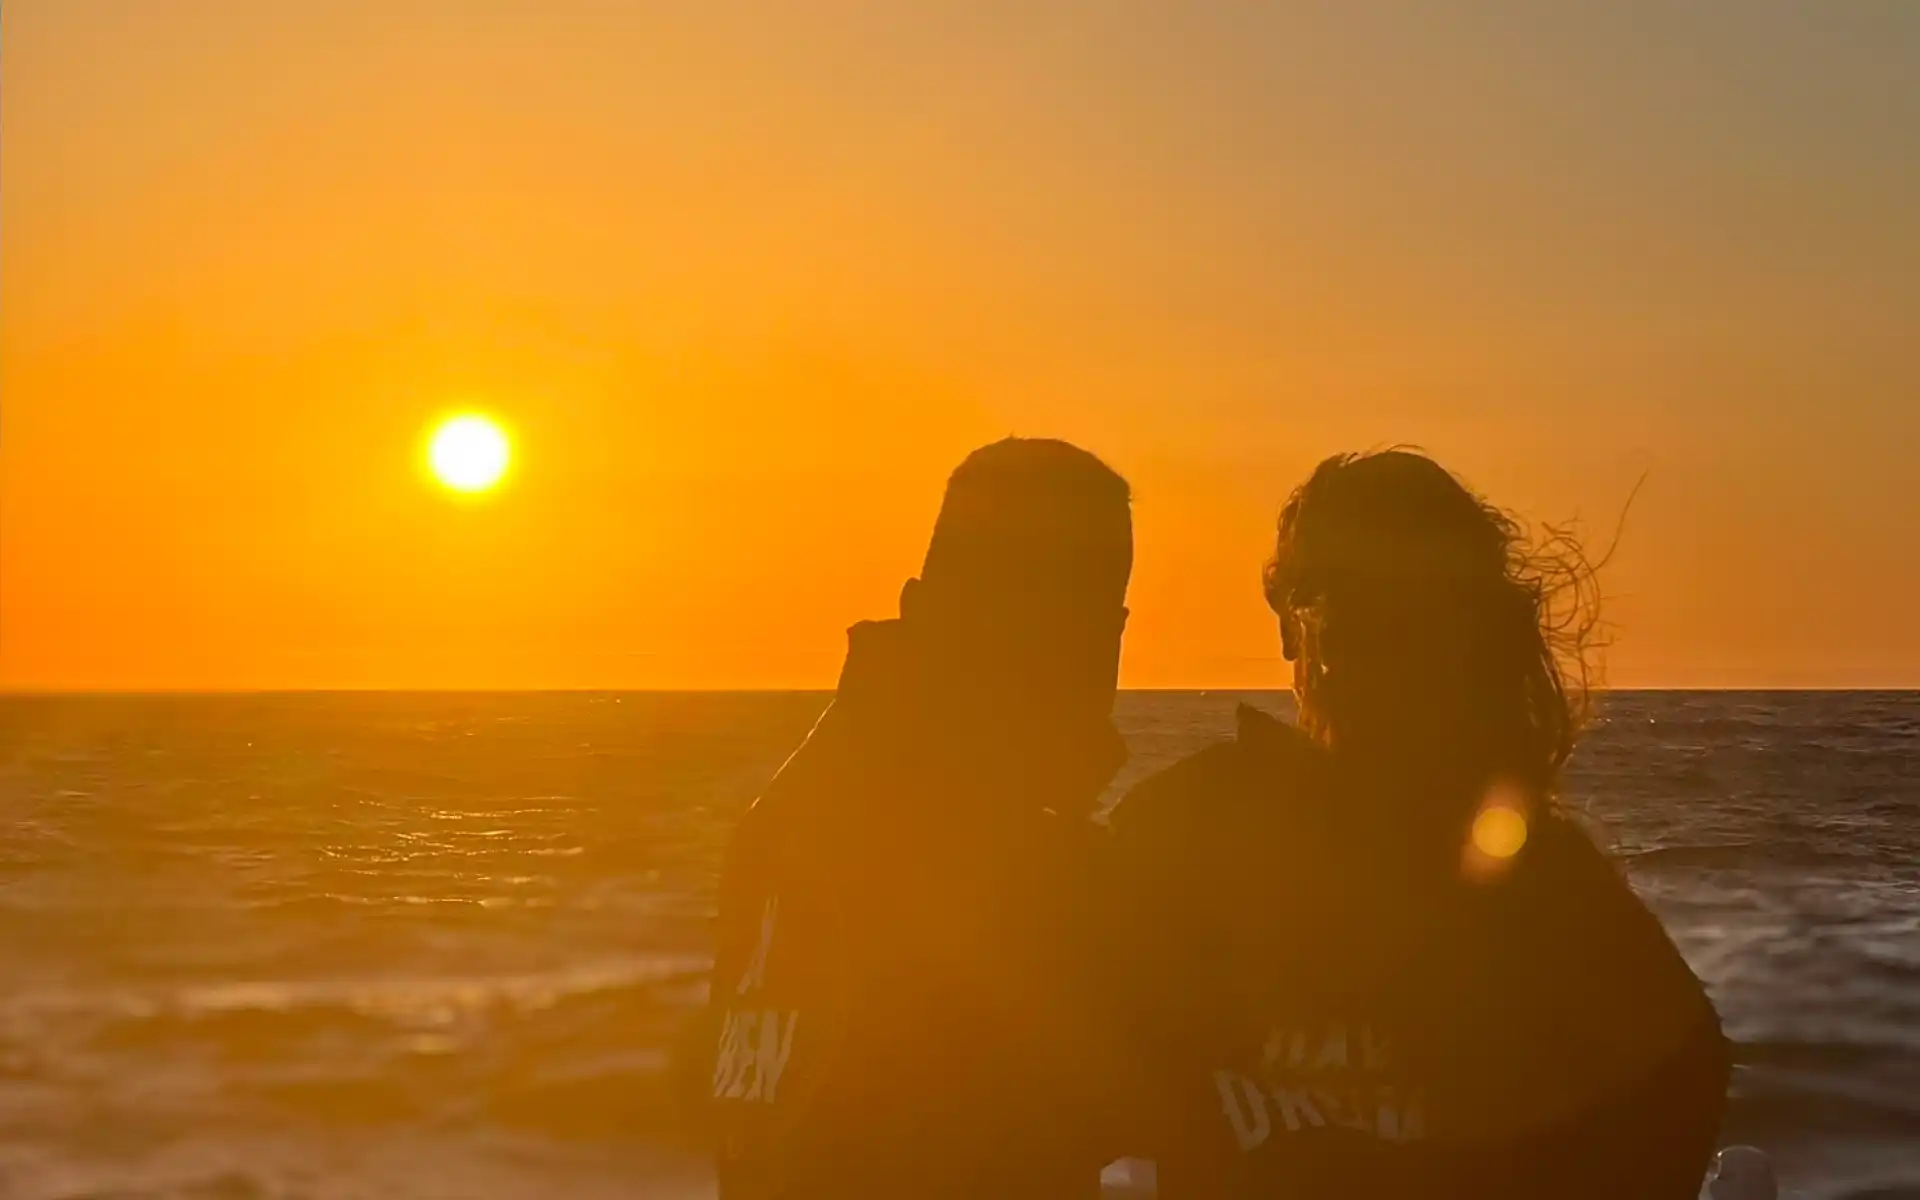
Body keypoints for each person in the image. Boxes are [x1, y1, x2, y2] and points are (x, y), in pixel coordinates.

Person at [1107, 449, 1730, 1198]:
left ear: (1469, 640)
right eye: (1348, 614)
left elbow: (1681, 1079)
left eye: (1412, 619)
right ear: (1288, 629)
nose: (1380, 661)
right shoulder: (1177, 833)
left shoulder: (1547, 885)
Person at [701, 438, 1136, 1199]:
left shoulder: (786, 816)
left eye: (1107, 619)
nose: (1098, 658)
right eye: (1077, 619)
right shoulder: (1002, 860)